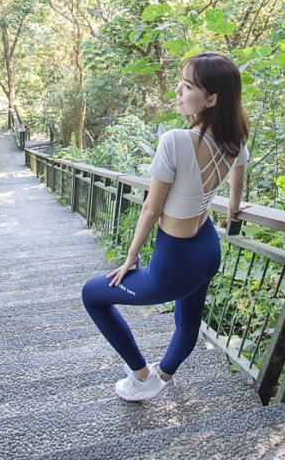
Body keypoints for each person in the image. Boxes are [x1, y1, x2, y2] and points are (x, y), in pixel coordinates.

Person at [81, 51, 251, 401]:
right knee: (188, 322)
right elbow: (236, 184)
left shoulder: (175, 140)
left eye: (187, 86)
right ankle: (161, 376)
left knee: (92, 294)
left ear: (211, 99)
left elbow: (151, 208)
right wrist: (234, 210)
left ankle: (142, 375)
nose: (178, 91)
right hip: (207, 249)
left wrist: (131, 257)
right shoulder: (235, 139)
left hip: (172, 264)